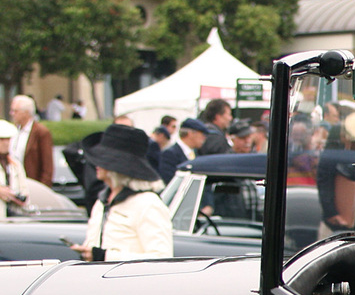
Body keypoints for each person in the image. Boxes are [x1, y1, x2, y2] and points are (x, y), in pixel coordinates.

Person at [69, 124, 173, 261]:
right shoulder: (102, 201)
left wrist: (104, 256)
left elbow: (162, 259)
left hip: (129, 282)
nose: (96, 164)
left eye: (103, 159)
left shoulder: (148, 204)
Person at [8, 95, 53, 185]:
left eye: (15, 111)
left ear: (26, 113)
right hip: (13, 183)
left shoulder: (40, 132)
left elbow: (47, 166)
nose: (11, 113)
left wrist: (42, 189)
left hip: (31, 184)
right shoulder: (13, 130)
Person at [158, 118, 208, 182]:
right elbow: (170, 181)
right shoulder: (170, 154)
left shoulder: (197, 153)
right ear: (191, 133)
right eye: (202, 134)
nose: (204, 138)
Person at [0, 119, 29, 217]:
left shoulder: (15, 164)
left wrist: (14, 196)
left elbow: (24, 191)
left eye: (8, 139)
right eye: (2, 139)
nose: (5, 143)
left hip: (14, 215)